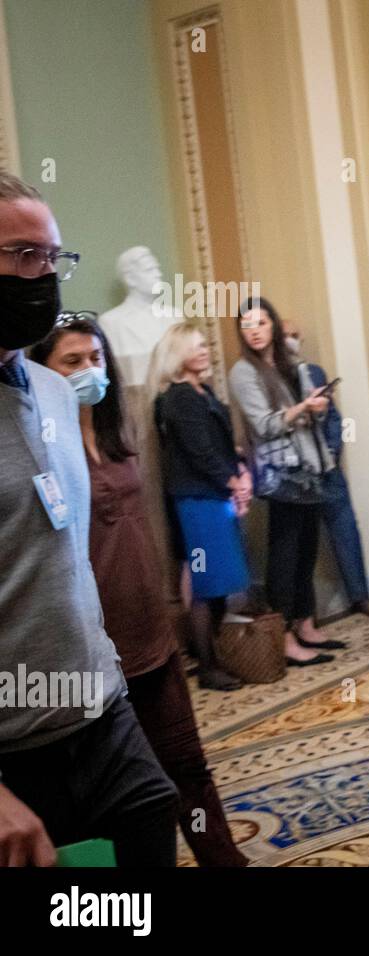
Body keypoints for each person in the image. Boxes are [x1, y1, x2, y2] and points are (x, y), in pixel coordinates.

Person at [0, 171, 178, 867]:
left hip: (102, 716)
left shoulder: (50, 389)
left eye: (54, 257)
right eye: (23, 256)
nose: (45, 274)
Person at [32, 316, 248, 866]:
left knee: (188, 765)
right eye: (72, 362)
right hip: (92, 644)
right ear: (43, 372)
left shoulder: (116, 431)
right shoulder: (43, 446)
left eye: (95, 358)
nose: (89, 371)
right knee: (131, 801)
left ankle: (226, 860)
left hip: (149, 627)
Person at [229, 297, 341, 666]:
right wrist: (302, 409)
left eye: (261, 322)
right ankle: (285, 639)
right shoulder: (243, 372)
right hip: (280, 473)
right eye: (247, 325)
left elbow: (310, 416)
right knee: (284, 555)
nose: (255, 330)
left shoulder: (292, 363)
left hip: (310, 466)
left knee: (307, 549)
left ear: (273, 325)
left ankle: (305, 624)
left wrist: (317, 406)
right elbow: (265, 425)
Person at [149, 323, 254, 689]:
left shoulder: (202, 391)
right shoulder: (179, 397)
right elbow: (200, 452)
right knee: (206, 583)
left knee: (221, 583)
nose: (205, 350)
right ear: (178, 354)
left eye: (204, 345)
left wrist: (239, 474)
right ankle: (207, 666)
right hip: (197, 503)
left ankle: (212, 658)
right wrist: (234, 483)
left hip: (214, 498)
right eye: (195, 347)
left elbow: (220, 447)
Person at [282, 320, 369, 619]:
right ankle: (303, 615)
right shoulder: (273, 378)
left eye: (294, 335)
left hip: (328, 470)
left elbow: (335, 420)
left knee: (346, 529)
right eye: (284, 335)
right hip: (297, 474)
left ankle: (360, 596)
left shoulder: (314, 373)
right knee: (303, 541)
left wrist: (330, 452)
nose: (290, 341)